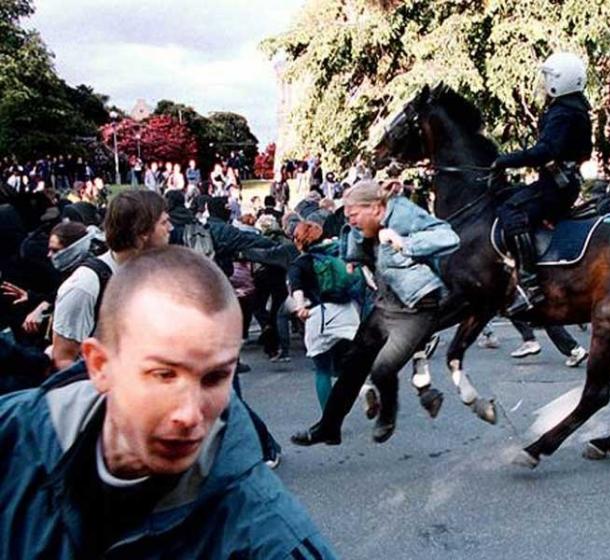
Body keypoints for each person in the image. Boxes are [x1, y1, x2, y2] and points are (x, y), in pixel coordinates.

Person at [0, 246, 336, 558]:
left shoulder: (265, 532)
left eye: (215, 378)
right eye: (164, 374)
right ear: (100, 366)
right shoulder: (14, 440)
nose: (190, 416)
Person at [291, 180, 458, 445]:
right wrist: (350, 259)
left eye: (355, 215)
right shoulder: (362, 224)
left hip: (416, 309)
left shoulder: (403, 214)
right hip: (385, 305)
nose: (352, 221)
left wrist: (404, 242)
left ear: (377, 209)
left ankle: (388, 414)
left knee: (382, 370)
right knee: (352, 366)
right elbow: (351, 237)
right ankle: (328, 427)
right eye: (348, 216)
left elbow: (449, 237)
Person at [491, 51, 592, 314]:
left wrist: (505, 160)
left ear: (560, 81)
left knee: (511, 210)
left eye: (547, 78)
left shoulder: (562, 113)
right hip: (563, 182)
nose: (543, 83)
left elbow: (546, 151)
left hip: (556, 187)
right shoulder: (577, 108)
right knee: (507, 196)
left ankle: (529, 284)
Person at [51, 191, 172, 370]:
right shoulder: (85, 285)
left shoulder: (156, 273)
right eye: (164, 222)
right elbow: (63, 358)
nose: (170, 228)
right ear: (142, 232)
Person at [289, 221, 359, 410]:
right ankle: (365, 387)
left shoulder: (300, 263)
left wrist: (300, 307)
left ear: (298, 241)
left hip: (320, 314)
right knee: (356, 360)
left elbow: (296, 288)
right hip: (349, 310)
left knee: (322, 369)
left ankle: (329, 420)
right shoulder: (337, 252)